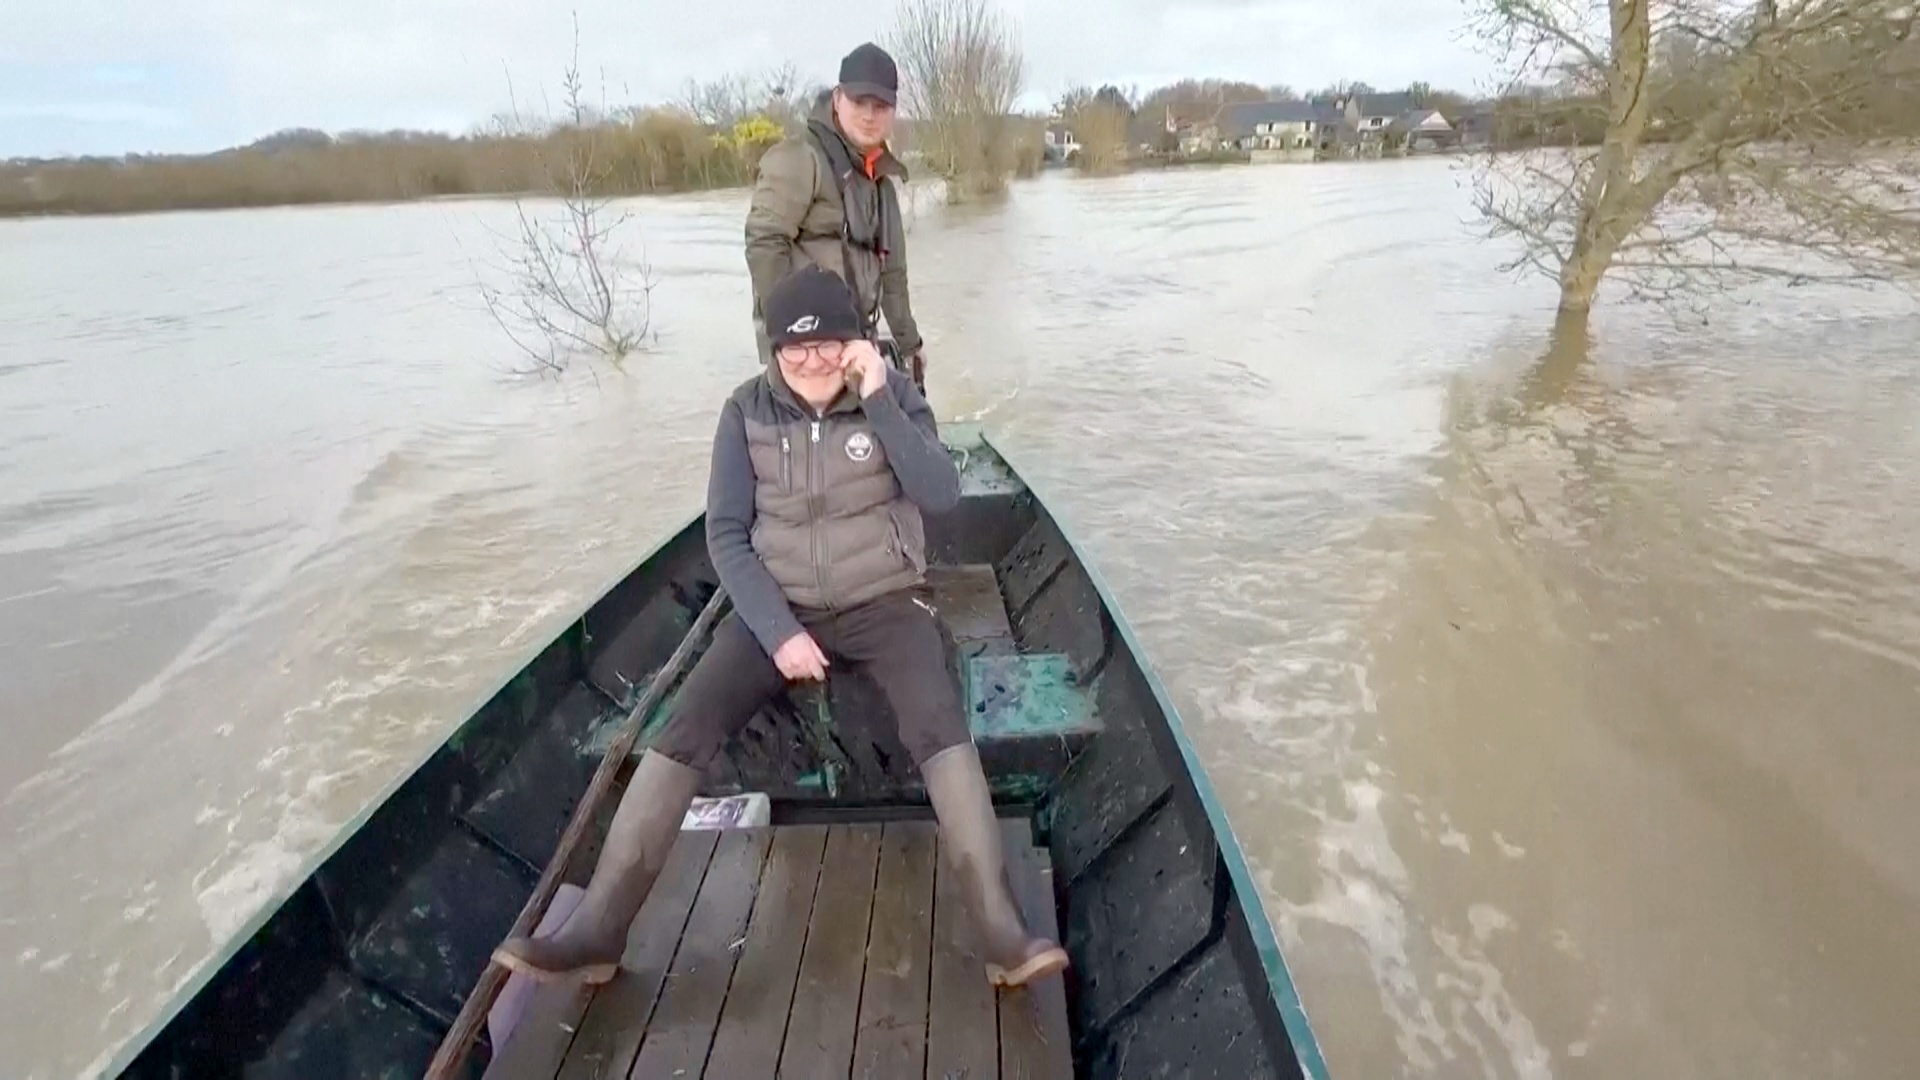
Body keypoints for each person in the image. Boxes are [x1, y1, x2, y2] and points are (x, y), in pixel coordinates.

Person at [491, 266, 1067, 990]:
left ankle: (1001, 933)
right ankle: (597, 932)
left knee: (938, 720)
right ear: (774, 348)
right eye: (796, 347)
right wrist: (778, 631)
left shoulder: (891, 395)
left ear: (854, 343)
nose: (812, 360)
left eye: (829, 344)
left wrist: (880, 398)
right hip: (779, 605)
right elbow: (727, 535)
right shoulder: (745, 411)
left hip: (886, 601)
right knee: (685, 725)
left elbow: (942, 492)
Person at [745, 43, 924, 383]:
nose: (869, 115)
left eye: (880, 106)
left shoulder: (883, 183)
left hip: (856, 346)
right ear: (838, 98)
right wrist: (793, 336)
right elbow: (763, 242)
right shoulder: (799, 157)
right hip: (805, 355)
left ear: (893, 111)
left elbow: (893, 278)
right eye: (859, 102)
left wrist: (911, 345)